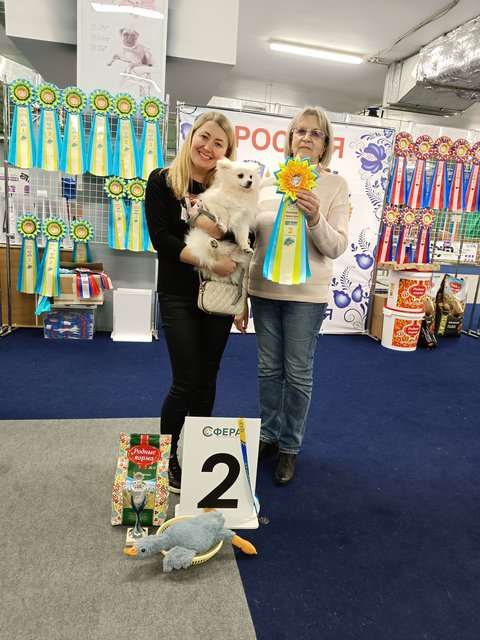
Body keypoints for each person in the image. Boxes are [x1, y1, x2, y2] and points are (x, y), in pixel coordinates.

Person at [248, 106, 350, 486]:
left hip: (307, 296)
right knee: (267, 370)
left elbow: (336, 246)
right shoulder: (264, 184)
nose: (307, 137)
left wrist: (315, 218)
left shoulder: (335, 186)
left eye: (316, 133)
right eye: (300, 131)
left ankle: (290, 446)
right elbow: (250, 241)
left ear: (325, 145)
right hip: (264, 289)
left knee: (297, 373)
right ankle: (268, 433)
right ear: (289, 139)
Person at [145, 112, 247, 493]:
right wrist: (209, 260)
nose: (209, 147)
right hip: (178, 293)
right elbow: (161, 238)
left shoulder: (232, 189)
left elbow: (244, 241)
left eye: (219, 143)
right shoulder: (162, 181)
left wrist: (243, 298)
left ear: (227, 153)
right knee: (186, 379)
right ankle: (167, 459)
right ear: (191, 137)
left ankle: (200, 455)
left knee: (207, 378)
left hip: (220, 295)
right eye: (204, 137)